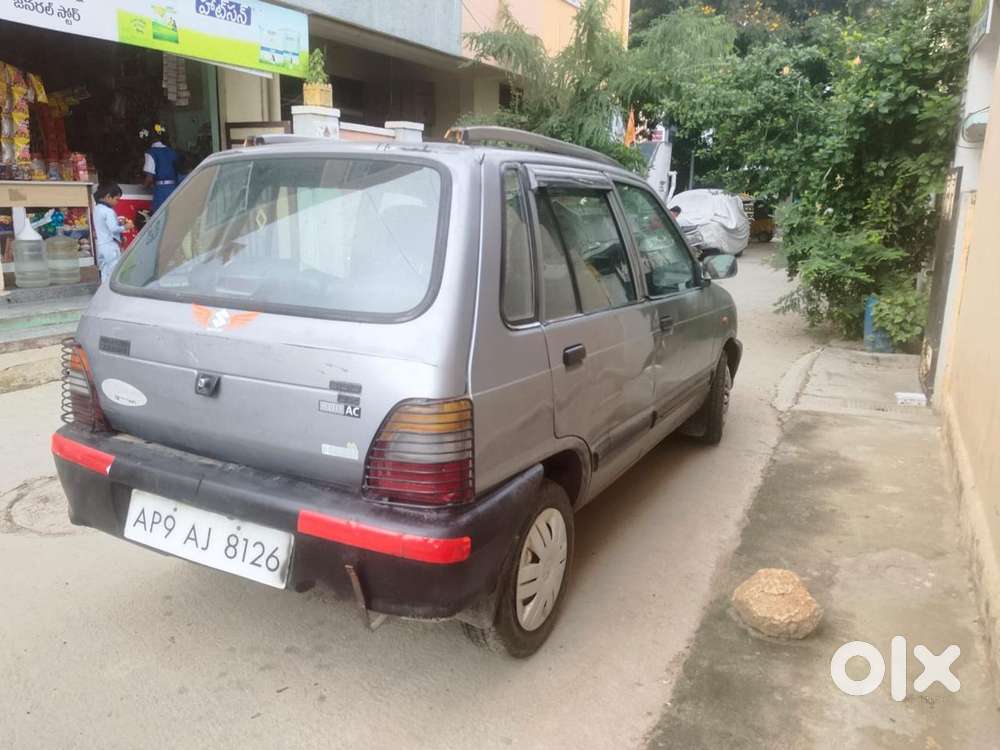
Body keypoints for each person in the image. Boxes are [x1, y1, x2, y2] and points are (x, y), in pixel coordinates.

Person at [141, 123, 179, 213]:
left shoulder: (151, 152)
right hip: (174, 188)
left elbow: (149, 178)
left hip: (161, 190)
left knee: (160, 216)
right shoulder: (172, 152)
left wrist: (144, 186)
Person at [93, 181, 128, 280]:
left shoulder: (97, 209)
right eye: (117, 199)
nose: (117, 202)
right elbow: (113, 229)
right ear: (108, 197)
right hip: (110, 246)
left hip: (100, 245)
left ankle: (104, 291)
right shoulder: (109, 211)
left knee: (104, 272)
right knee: (114, 272)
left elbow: (105, 226)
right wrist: (126, 227)